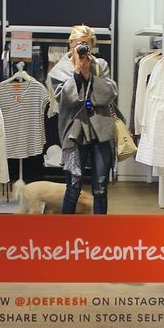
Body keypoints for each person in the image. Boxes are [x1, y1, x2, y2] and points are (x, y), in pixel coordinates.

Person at [48, 24, 118, 214]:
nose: (81, 48)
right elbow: (66, 99)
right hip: (74, 134)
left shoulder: (100, 65)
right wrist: (77, 73)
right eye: (78, 44)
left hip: (100, 132)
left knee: (101, 188)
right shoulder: (58, 70)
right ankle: (67, 234)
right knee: (73, 188)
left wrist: (88, 74)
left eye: (86, 44)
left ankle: (100, 234)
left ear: (92, 46)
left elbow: (110, 93)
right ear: (70, 44)